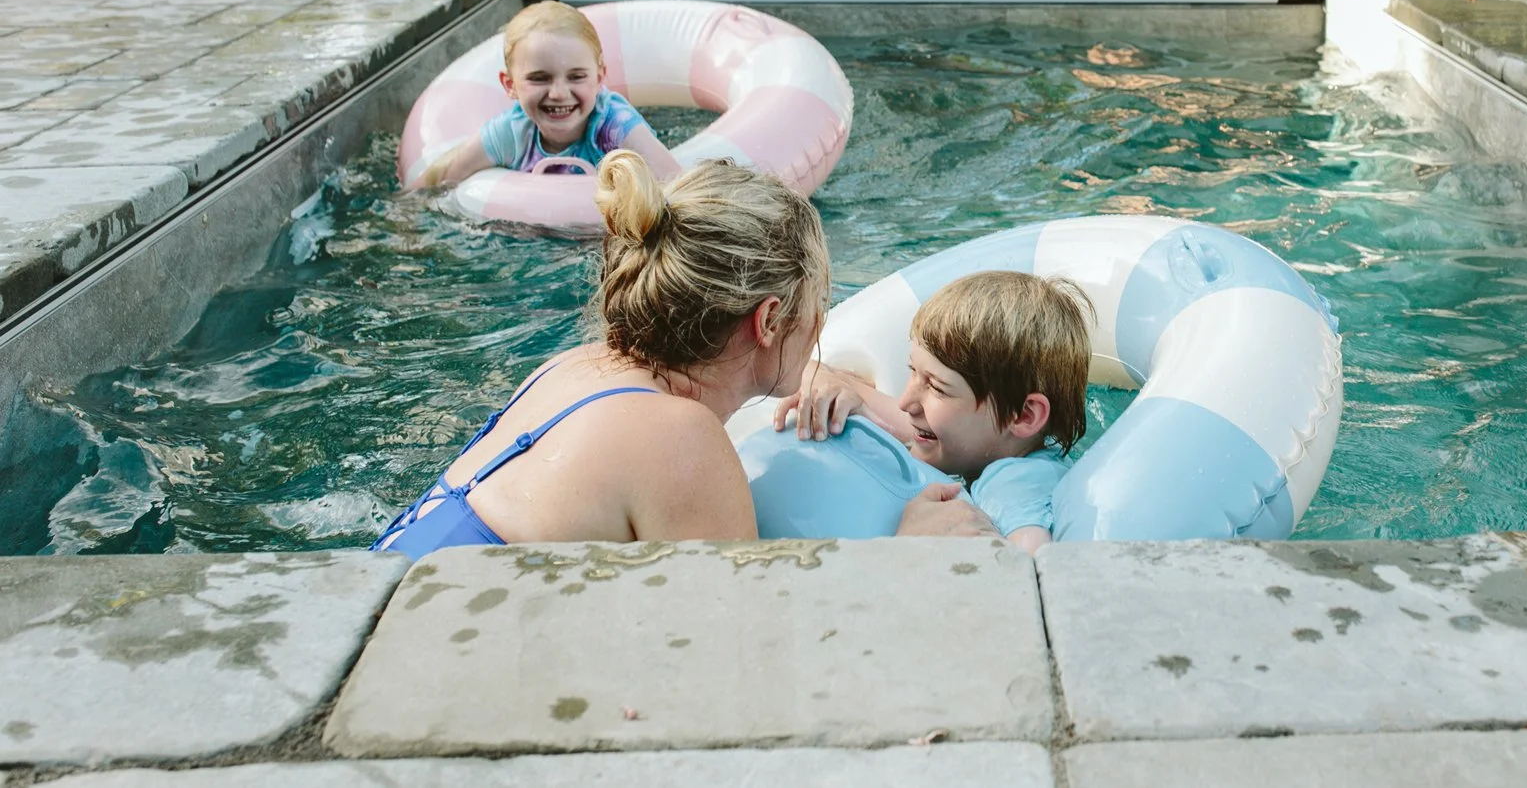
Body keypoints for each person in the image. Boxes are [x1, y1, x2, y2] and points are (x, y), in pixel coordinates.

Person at [373, 151, 830, 555]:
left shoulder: (574, 366)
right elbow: (732, 637)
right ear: (769, 320)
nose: (819, 322)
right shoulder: (684, 442)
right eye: (819, 301)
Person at [771, 270, 1093, 552]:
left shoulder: (1011, 483)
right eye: (913, 371)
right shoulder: (978, 440)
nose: (905, 402)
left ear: (1023, 416)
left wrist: (908, 550)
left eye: (937, 387)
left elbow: (1033, 571)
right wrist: (824, 382)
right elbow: (820, 371)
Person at [418, 0, 679, 188]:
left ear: (599, 78)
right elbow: (443, 176)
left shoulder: (614, 125)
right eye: (539, 78)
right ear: (509, 85)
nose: (558, 93)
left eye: (576, 77)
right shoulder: (512, 133)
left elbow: (675, 183)